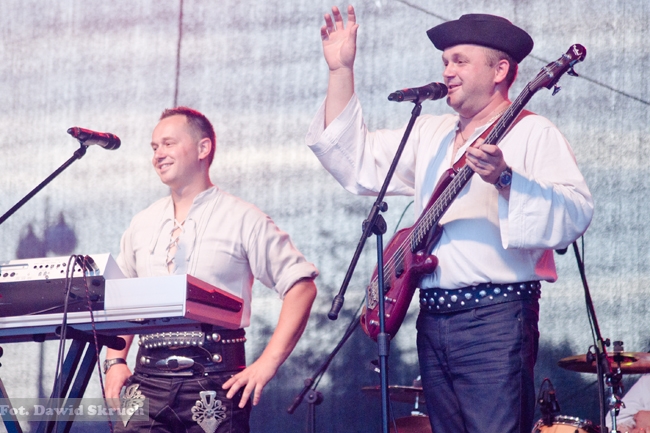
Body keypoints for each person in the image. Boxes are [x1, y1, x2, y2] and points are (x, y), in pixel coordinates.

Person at [307, 6, 593, 433]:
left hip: (496, 318)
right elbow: (356, 159)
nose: (447, 71)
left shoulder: (534, 132)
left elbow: (576, 213)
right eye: (445, 61)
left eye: (460, 60)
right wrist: (341, 71)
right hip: (433, 318)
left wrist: (506, 178)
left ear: (499, 70)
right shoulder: (431, 132)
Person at [104, 107, 319, 433]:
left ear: (203, 148)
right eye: (154, 147)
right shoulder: (142, 222)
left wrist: (267, 363)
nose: (158, 154)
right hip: (146, 379)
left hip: (215, 380)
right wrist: (115, 360)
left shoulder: (242, 217)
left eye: (168, 144)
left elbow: (301, 286)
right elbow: (124, 297)